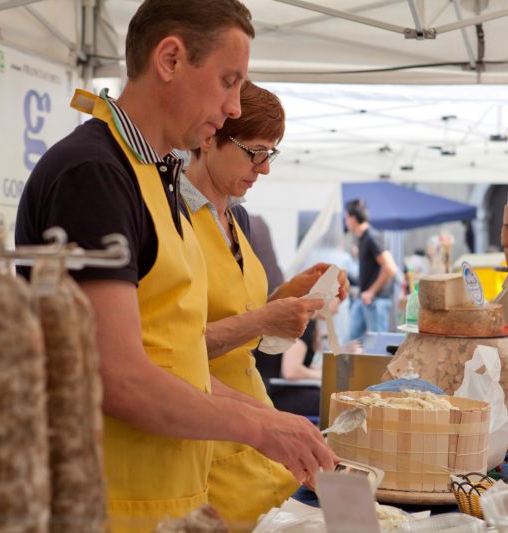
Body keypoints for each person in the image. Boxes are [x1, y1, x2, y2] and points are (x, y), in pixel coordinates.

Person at [15, 1, 337, 531]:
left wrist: (272, 419)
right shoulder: (94, 175)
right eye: (228, 81)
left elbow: (177, 357)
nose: (234, 107)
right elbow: (117, 377)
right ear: (169, 59)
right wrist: (259, 430)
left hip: (166, 503)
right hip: (108, 507)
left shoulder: (153, 176)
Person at [182, 80, 347, 526]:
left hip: (256, 427)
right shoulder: (171, 218)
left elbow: (239, 322)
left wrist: (291, 295)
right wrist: (264, 318)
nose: (264, 168)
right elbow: (175, 349)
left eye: (270, 153)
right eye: (254, 151)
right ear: (208, 137)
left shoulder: (238, 218)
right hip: (205, 436)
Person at [345, 199, 399, 340]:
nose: (345, 221)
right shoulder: (363, 239)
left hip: (376, 301)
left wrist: (371, 291)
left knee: (378, 345)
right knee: (353, 340)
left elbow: (391, 268)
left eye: (346, 217)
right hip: (365, 299)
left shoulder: (371, 237)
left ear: (353, 218)